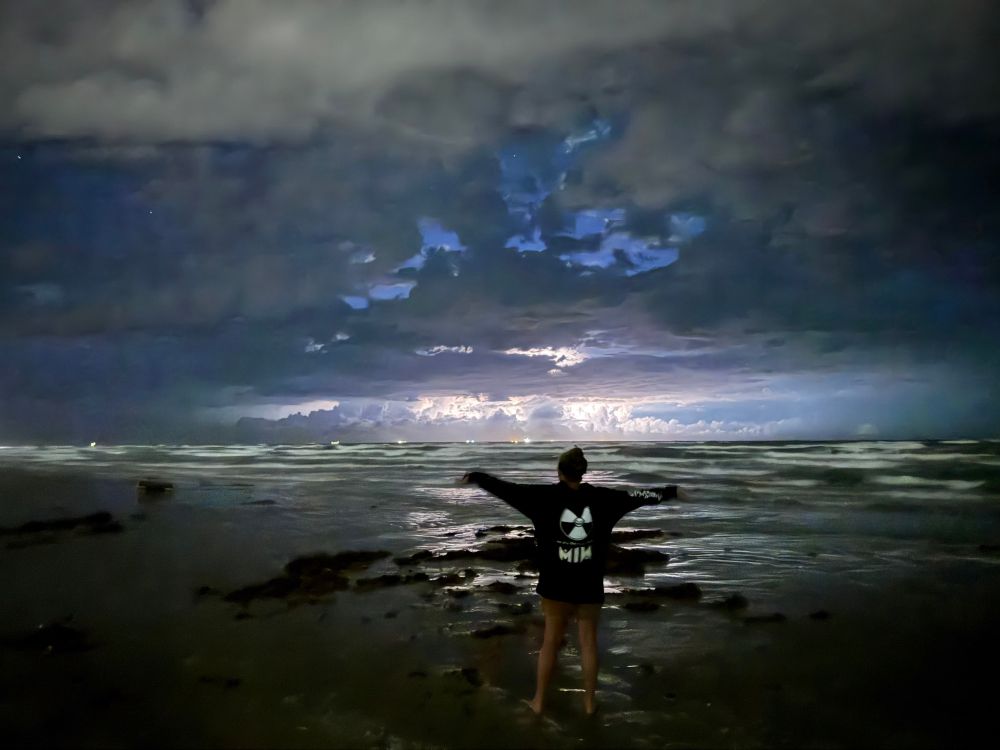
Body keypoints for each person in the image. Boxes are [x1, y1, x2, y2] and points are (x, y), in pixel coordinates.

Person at [459, 446, 690, 716]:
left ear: (559, 471)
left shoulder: (541, 498)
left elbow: (506, 490)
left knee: (550, 643)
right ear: (583, 472)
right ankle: (589, 704)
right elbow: (639, 496)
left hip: (555, 586)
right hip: (589, 585)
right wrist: (671, 491)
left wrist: (476, 477)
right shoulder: (606, 499)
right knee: (589, 644)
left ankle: (539, 702)